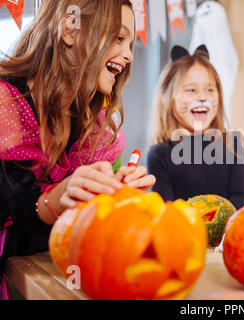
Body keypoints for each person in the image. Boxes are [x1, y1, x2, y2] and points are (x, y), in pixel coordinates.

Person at [0, 0, 155, 299]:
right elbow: (14, 204)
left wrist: (119, 197)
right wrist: (55, 199)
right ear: (71, 30)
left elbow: (88, 228)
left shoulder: (97, 128)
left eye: (132, 44)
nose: (128, 55)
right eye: (118, 37)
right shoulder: (7, 103)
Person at [147, 45, 244, 210]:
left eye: (210, 90)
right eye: (191, 90)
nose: (202, 97)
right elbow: (169, 212)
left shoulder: (235, 144)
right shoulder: (158, 155)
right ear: (166, 98)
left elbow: (240, 197)